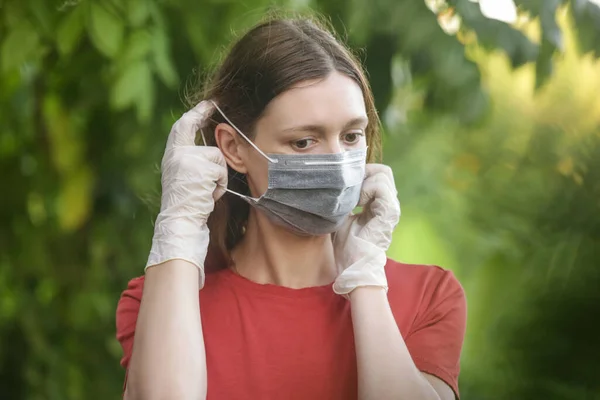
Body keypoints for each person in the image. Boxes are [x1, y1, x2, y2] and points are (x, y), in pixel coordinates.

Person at [116, 16, 466, 400]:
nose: (337, 162)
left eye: (351, 136)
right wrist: (180, 224)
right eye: (304, 142)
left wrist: (364, 279)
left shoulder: (428, 296)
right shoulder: (165, 299)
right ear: (234, 148)